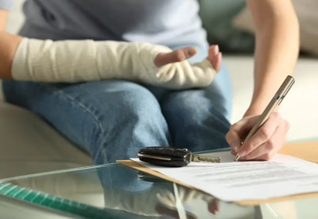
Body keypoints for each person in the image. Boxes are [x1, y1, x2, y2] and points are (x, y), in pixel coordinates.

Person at [0, 0, 299, 165]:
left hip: (186, 58)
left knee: (207, 130)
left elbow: (275, 14)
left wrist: (262, 111)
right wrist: (131, 58)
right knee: (132, 115)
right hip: (59, 57)